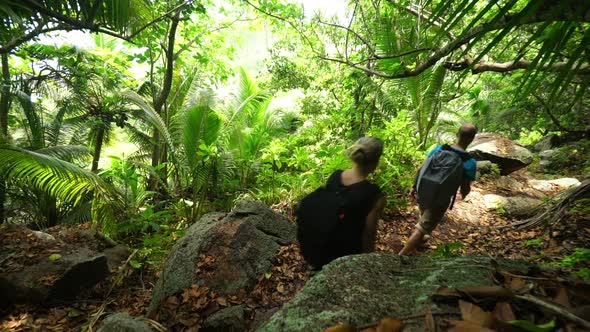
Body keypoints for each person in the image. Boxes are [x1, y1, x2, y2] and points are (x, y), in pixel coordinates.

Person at [297, 137, 387, 268]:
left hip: (322, 248)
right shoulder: (374, 194)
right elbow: (369, 234)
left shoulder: (335, 176)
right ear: (376, 162)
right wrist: (367, 262)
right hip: (346, 256)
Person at [398, 124, 477, 256]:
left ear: (457, 134)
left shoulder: (440, 148)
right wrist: (463, 195)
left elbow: (420, 168)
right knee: (422, 227)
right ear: (472, 138)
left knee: (424, 213)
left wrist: (414, 186)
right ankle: (401, 255)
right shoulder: (469, 162)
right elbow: (465, 187)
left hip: (424, 190)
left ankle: (421, 240)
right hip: (441, 198)